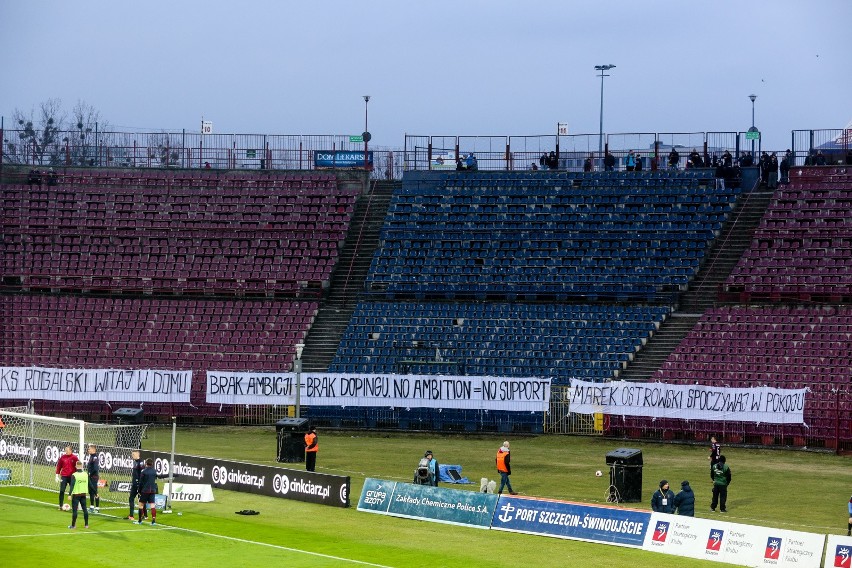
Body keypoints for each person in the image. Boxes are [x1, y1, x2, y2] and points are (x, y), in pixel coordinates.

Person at [137, 458, 167, 525]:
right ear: (152, 464)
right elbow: (158, 477)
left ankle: (139, 521)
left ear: (146, 463)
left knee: (141, 505)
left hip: (145, 490)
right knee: (152, 505)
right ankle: (153, 521)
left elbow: (141, 482)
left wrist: (139, 490)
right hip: (152, 491)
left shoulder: (143, 471)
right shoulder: (154, 471)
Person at [67, 461, 89, 529]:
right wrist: (95, 492)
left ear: (76, 466)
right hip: (83, 494)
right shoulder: (85, 474)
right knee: (85, 509)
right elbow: (90, 484)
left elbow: (72, 485)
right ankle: (86, 525)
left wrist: (69, 494)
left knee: (75, 510)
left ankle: (73, 526)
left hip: (76, 495)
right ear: (82, 466)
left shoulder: (74, 475)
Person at [56, 445, 79, 510]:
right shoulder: (62, 457)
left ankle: (75, 506)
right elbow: (59, 466)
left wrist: (78, 474)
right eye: (65, 450)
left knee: (74, 491)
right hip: (64, 476)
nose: (66, 451)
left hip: (72, 476)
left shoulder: (75, 458)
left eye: (67, 450)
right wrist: (57, 475)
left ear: (71, 450)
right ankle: (60, 506)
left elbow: (78, 466)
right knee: (62, 490)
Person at [128, 450, 145, 520]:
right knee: (131, 498)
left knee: (140, 500)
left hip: (139, 484)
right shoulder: (135, 462)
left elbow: (142, 474)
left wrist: (139, 483)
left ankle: (142, 514)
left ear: (138, 455)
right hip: (135, 484)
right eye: (132, 454)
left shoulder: (140, 463)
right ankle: (131, 515)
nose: (132, 456)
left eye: (134, 454)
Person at [85, 444, 100, 513]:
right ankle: (91, 507)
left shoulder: (95, 458)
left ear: (93, 450)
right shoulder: (91, 457)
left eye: (89, 449)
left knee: (95, 491)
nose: (88, 450)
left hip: (94, 477)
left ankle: (97, 508)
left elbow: (96, 468)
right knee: (91, 491)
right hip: (91, 476)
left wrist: (91, 473)